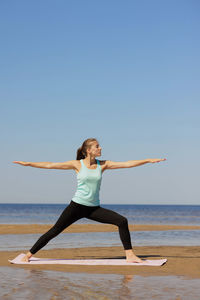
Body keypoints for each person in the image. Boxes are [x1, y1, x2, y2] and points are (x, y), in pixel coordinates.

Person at [13, 138, 166, 263]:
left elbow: (127, 164)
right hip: (76, 206)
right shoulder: (76, 164)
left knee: (122, 221)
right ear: (89, 150)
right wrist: (29, 164)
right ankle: (28, 254)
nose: (100, 148)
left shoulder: (103, 164)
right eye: (97, 146)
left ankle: (130, 255)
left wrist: (147, 160)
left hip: (93, 208)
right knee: (55, 231)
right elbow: (50, 165)